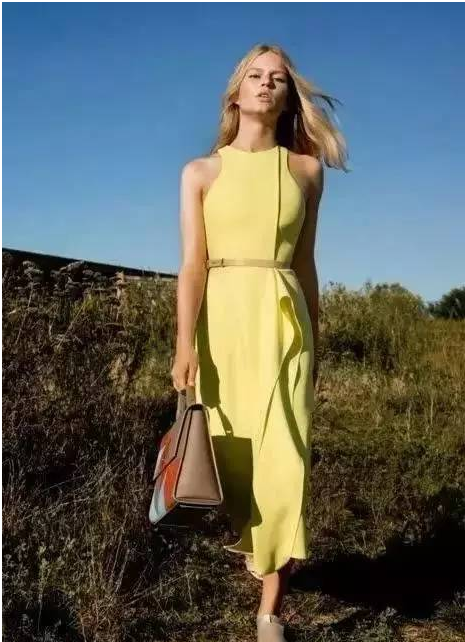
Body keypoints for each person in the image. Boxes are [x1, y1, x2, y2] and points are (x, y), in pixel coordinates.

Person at [171, 43, 348, 642]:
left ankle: (270, 610)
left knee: (285, 460)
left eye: (277, 78)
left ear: (288, 96)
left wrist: (315, 338)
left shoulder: (306, 171)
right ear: (236, 93)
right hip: (222, 320)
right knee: (232, 457)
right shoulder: (200, 172)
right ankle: (255, 542)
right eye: (255, 75)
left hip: (284, 321)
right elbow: (191, 266)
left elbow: (306, 263)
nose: (266, 84)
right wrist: (184, 345)